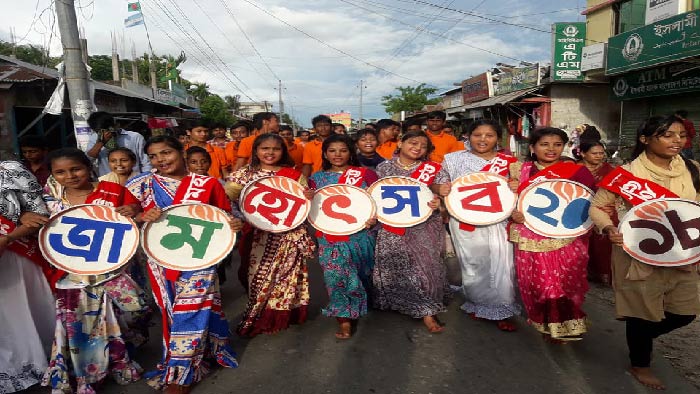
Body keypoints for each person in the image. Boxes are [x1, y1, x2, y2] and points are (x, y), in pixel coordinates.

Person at [590, 115, 700, 390]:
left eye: (681, 135)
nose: (677, 141)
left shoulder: (693, 169)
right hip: (638, 251)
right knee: (641, 311)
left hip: (681, 252)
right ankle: (640, 363)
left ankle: (641, 337)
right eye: (668, 135)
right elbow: (598, 206)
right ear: (645, 139)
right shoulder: (626, 174)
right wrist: (607, 228)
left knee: (684, 313)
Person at [127, 136, 240, 393]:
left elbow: (225, 216)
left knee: (189, 309)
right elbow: (123, 215)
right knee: (170, 310)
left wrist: (234, 224)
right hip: (159, 260)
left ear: (181, 152)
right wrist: (141, 215)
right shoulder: (140, 184)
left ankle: (181, 371)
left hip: (200, 258)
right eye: (154, 156)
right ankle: (205, 349)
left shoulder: (207, 183)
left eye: (166, 153)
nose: (160, 160)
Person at [40, 148, 150, 394]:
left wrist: (134, 212)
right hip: (72, 273)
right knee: (78, 323)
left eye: (75, 169)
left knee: (128, 314)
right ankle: (86, 372)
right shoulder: (48, 200)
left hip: (114, 268)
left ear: (88, 167)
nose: (69, 176)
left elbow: (138, 214)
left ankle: (121, 359)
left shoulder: (114, 192)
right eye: (60, 172)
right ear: (53, 175)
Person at [508, 127, 595, 343]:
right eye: (544, 144)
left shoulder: (577, 171)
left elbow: (590, 204)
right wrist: (514, 213)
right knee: (539, 282)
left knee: (566, 282)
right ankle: (548, 323)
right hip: (531, 234)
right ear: (532, 148)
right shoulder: (520, 170)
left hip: (567, 236)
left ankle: (570, 321)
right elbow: (506, 201)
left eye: (557, 144)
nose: (551, 149)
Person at [226, 134, 316, 337]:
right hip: (255, 234)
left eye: (275, 149)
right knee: (255, 276)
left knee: (287, 276)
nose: (270, 153)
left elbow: (304, 204)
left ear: (283, 152)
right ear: (255, 151)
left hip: (288, 235)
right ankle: (257, 312)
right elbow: (228, 203)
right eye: (264, 148)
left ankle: (280, 314)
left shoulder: (293, 175)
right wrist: (242, 219)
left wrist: (308, 195)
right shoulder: (243, 175)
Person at [434, 119, 520, 331]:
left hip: (499, 220)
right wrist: (440, 188)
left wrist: (516, 184)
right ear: (468, 137)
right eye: (477, 135)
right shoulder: (453, 160)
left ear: (497, 139)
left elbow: (521, 188)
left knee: (503, 262)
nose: (483, 140)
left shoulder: (509, 162)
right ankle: (476, 301)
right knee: (473, 262)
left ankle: (502, 307)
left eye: (489, 135)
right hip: (465, 220)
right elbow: (437, 182)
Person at [372, 131, 449, 333]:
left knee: (425, 265)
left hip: (425, 224)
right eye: (413, 143)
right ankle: (401, 301)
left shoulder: (435, 169)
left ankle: (427, 308)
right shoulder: (383, 167)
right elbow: (375, 195)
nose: (417, 148)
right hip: (392, 224)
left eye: (423, 146)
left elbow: (445, 200)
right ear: (401, 143)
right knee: (397, 264)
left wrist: (438, 202)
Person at [308, 134, 378, 339]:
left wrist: (374, 218)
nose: (337, 155)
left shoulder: (366, 174)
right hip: (330, 236)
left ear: (351, 152)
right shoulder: (316, 178)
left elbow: (378, 201)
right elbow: (311, 209)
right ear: (325, 154)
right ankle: (344, 317)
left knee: (361, 273)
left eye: (343, 150)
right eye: (332, 150)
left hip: (361, 234)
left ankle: (361, 302)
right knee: (336, 276)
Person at [0, 161, 55, 393]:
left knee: (17, 315)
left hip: (14, 256)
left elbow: (40, 214)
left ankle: (33, 365)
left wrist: (8, 238)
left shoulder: (9, 170)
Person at [577, 141, 616, 285]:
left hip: (604, 210)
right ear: (582, 153)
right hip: (578, 211)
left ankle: (604, 273)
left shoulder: (610, 170)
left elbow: (618, 192)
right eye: (595, 153)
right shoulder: (573, 169)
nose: (599, 156)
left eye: (601, 153)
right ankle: (585, 272)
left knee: (604, 242)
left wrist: (613, 205)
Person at [86, 111, 152, 177]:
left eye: (107, 129)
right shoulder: (94, 138)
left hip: (133, 181)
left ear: (115, 125)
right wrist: (100, 143)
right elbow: (88, 160)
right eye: (99, 131)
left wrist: (145, 179)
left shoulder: (135, 137)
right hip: (109, 182)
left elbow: (146, 162)